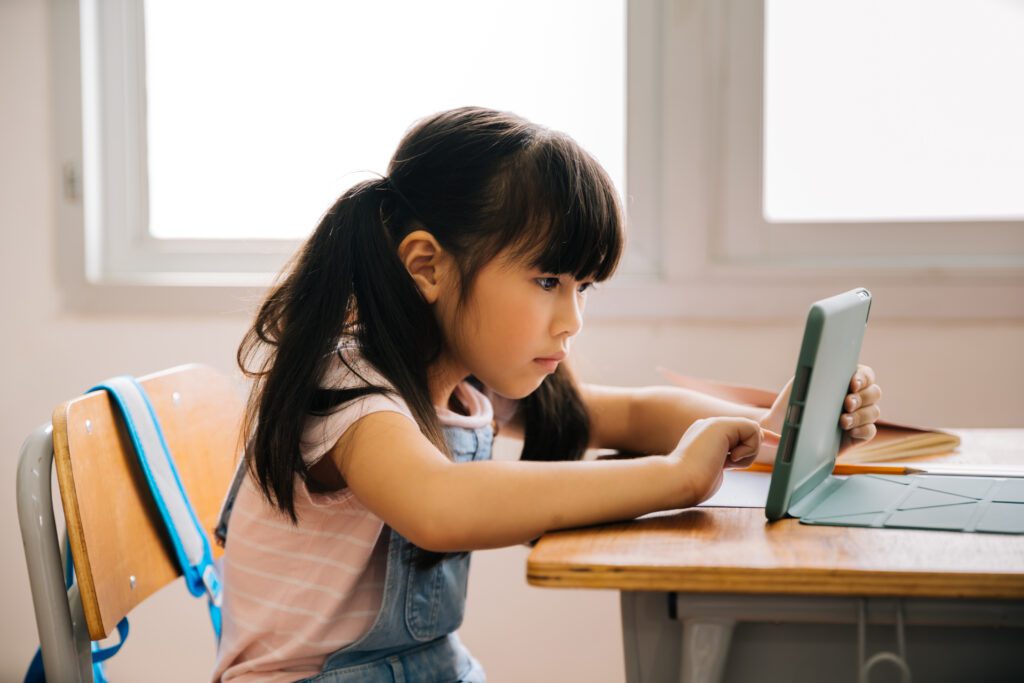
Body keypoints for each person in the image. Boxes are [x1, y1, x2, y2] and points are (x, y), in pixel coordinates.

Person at [212, 106, 882, 682]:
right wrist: (676, 477)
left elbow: (634, 412)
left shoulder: (464, 382)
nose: (572, 318)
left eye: (582, 287)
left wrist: (771, 428)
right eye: (546, 280)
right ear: (428, 266)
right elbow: (440, 505)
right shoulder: (351, 389)